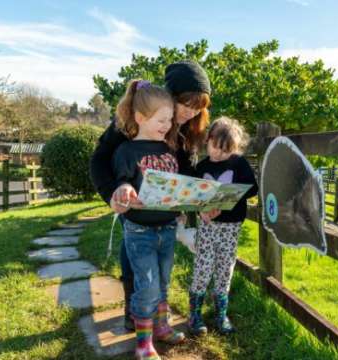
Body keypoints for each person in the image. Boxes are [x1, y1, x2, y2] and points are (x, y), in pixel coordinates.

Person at [89, 61, 211, 331]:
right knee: (134, 251)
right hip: (130, 198)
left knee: (162, 270)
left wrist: (199, 200)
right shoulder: (133, 120)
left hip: (164, 209)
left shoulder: (188, 128)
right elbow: (99, 159)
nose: (190, 112)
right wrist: (112, 194)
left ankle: (157, 317)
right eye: (186, 104)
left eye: (198, 107)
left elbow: (186, 170)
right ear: (170, 97)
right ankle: (133, 310)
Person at [111, 79, 183, 360]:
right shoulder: (127, 151)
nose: (167, 125)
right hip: (139, 230)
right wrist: (124, 189)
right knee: (148, 284)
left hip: (167, 228)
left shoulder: (168, 151)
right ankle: (143, 342)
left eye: (170, 120)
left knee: (163, 281)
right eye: (162, 119)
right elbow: (122, 184)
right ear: (141, 118)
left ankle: (162, 327)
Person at [187, 117, 258, 335]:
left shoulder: (239, 163)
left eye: (226, 151)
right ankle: (195, 314)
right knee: (203, 267)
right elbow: (193, 196)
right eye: (215, 147)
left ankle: (221, 314)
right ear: (207, 140)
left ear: (234, 149)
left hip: (231, 228)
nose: (219, 154)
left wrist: (229, 197)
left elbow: (252, 189)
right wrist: (202, 209)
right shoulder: (201, 167)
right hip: (208, 227)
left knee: (225, 269)